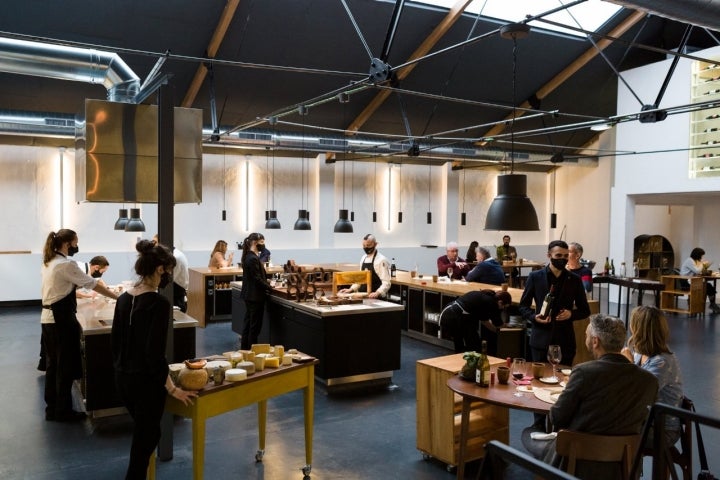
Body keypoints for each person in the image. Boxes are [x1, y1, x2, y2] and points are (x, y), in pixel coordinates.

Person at [112, 240, 196, 479]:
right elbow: (154, 354)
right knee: (146, 440)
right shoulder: (159, 304)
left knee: (142, 437)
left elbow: (115, 344)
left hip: (122, 380)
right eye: (168, 270)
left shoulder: (123, 299)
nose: (169, 275)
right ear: (161, 269)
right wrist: (172, 389)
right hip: (145, 384)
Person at [540, 314, 658, 479]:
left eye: (587, 335)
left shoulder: (583, 372)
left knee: (528, 434)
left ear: (595, 342)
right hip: (623, 465)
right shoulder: (649, 381)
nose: (585, 337)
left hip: (579, 462)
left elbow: (557, 418)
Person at [41, 229, 118, 421]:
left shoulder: (49, 262)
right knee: (65, 367)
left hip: (47, 319)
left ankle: (52, 408)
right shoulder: (67, 264)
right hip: (61, 320)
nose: (77, 246)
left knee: (53, 366)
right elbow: (94, 285)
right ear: (68, 244)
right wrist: (119, 298)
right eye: (76, 242)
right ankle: (64, 412)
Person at [519, 239, 590, 430]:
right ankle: (539, 423)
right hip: (540, 338)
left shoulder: (574, 280)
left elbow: (584, 310)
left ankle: (559, 424)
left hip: (565, 339)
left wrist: (571, 314)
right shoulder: (535, 277)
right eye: (559, 256)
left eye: (566, 256)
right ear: (549, 255)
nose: (563, 259)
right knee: (538, 383)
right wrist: (534, 318)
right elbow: (523, 307)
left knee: (563, 384)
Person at [622, 305, 684, 448]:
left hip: (662, 429)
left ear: (639, 330)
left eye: (632, 325)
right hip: (645, 420)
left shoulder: (662, 362)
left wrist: (628, 365)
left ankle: (629, 469)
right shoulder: (640, 353)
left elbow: (639, 393)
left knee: (613, 430)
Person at [439, 289, 512, 355]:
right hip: (453, 317)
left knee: (462, 343)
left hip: (450, 312)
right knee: (474, 345)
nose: (503, 309)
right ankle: (468, 365)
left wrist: (502, 326)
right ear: (500, 302)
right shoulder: (491, 303)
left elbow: (496, 322)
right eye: (504, 306)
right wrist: (499, 331)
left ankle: (462, 364)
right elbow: (488, 323)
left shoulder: (489, 296)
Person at [239, 233, 274, 349]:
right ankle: (251, 353)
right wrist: (270, 287)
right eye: (262, 243)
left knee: (248, 325)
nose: (264, 246)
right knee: (254, 328)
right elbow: (257, 278)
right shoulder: (252, 258)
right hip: (255, 297)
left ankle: (245, 350)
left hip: (250, 296)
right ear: (255, 243)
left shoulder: (248, 256)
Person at [339, 234, 392, 299]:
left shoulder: (381, 260)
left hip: (375, 298)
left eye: (368, 245)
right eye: (364, 246)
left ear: (375, 244)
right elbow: (360, 279)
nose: (366, 247)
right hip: (362, 296)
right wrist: (351, 289)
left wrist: (377, 293)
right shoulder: (363, 258)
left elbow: (386, 283)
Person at [152, 235, 189, 313]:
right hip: (174, 293)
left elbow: (168, 279)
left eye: (155, 242)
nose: (153, 245)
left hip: (176, 297)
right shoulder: (172, 254)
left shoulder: (174, 257)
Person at [679, 247, 719, 313]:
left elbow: (695, 272)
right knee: (708, 286)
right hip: (685, 282)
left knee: (708, 286)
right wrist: (702, 264)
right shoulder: (689, 261)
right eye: (701, 255)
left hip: (690, 281)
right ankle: (712, 304)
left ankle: (712, 304)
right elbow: (697, 271)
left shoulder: (693, 261)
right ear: (698, 255)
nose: (702, 257)